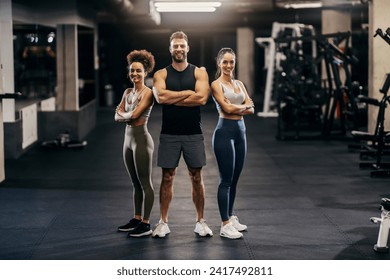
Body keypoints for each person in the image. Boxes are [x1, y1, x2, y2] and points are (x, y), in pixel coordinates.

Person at [152, 31, 213, 238]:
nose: (179, 49)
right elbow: (160, 97)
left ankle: (200, 221)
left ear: (188, 48)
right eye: (175, 46)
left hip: (193, 133)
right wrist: (188, 93)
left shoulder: (199, 73)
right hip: (169, 133)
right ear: (170, 49)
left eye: (182, 46)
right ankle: (162, 222)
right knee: (167, 177)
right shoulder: (161, 74)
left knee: (196, 177)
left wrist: (173, 98)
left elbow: (202, 99)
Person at [211, 47, 254, 239]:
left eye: (231, 61)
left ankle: (230, 215)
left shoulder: (239, 84)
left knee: (235, 179)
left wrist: (239, 108)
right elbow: (226, 109)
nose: (228, 65)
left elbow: (252, 108)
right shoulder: (216, 85)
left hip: (240, 132)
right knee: (225, 180)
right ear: (219, 63)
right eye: (225, 62)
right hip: (224, 133)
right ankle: (224, 224)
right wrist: (243, 107)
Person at [115, 49, 155, 237]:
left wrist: (124, 115)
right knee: (134, 183)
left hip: (141, 140)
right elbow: (117, 116)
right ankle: (137, 218)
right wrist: (125, 115)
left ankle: (146, 224)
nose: (135, 74)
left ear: (145, 72)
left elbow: (134, 115)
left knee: (145, 183)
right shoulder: (127, 92)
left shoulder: (149, 93)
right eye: (132, 70)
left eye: (138, 70)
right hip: (127, 140)